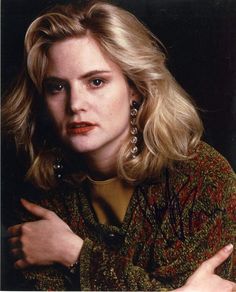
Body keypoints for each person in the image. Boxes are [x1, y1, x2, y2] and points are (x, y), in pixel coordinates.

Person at [2, 1, 236, 291]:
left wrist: (73, 253)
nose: (75, 104)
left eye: (96, 81)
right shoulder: (38, 191)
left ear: (135, 89)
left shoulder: (202, 177)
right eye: (57, 87)